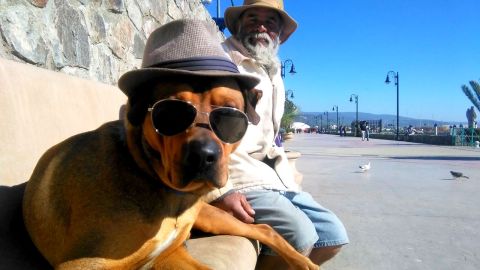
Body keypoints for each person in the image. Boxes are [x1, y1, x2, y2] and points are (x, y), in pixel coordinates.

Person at [205, 0, 349, 268]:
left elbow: (270, 139)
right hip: (235, 174)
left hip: (269, 176)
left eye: (270, 21)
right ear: (237, 24)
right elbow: (203, 129)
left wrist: (289, 181)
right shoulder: (222, 62)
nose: (261, 26)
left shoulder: (271, 69)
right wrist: (222, 191)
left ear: (279, 32)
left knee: (333, 235)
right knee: (301, 236)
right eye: (252, 18)